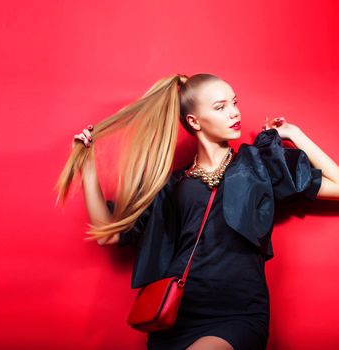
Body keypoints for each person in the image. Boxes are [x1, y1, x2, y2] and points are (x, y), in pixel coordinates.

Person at [55, 73, 339, 350]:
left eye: (234, 102)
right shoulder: (171, 185)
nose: (233, 113)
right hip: (175, 315)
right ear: (194, 121)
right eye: (220, 107)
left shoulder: (258, 166)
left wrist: (293, 133)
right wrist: (87, 166)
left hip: (236, 314)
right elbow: (108, 236)